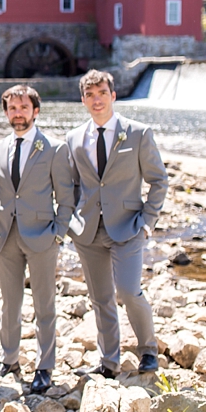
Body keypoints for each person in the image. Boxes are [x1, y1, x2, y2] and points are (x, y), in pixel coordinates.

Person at [66, 69, 168, 377]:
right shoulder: (73, 138)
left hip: (128, 226)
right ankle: (108, 362)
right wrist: (70, 220)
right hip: (87, 230)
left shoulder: (137, 133)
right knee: (100, 298)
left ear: (113, 95)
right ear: (83, 100)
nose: (96, 100)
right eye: (90, 95)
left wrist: (148, 219)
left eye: (102, 93)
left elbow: (158, 180)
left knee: (128, 290)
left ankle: (148, 350)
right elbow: (71, 185)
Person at [0, 85, 74, 394]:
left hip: (42, 237)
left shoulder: (55, 148)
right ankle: (9, 358)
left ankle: (44, 366)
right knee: (9, 303)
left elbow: (66, 197)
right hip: (4, 237)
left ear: (35, 111)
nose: (18, 113)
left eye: (23, 107)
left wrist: (58, 234)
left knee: (44, 304)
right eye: (12, 108)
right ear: (6, 112)